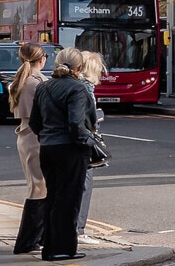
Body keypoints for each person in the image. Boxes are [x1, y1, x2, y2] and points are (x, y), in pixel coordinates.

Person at [29, 48, 96, 261]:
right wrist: (87, 142)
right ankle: (64, 249)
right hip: (71, 150)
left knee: (53, 198)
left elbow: (34, 123)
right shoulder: (77, 89)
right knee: (69, 201)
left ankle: (49, 248)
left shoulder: (44, 87)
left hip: (48, 149)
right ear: (79, 67)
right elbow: (77, 124)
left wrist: (47, 137)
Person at [9, 43, 49, 257]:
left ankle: (36, 238)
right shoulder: (38, 82)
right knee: (39, 188)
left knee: (37, 186)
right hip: (36, 137)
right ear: (41, 59)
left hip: (25, 136)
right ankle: (28, 240)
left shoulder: (21, 79)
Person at [73, 54, 108, 238]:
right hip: (81, 145)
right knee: (84, 187)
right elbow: (84, 120)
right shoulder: (85, 88)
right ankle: (78, 231)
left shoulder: (71, 85)